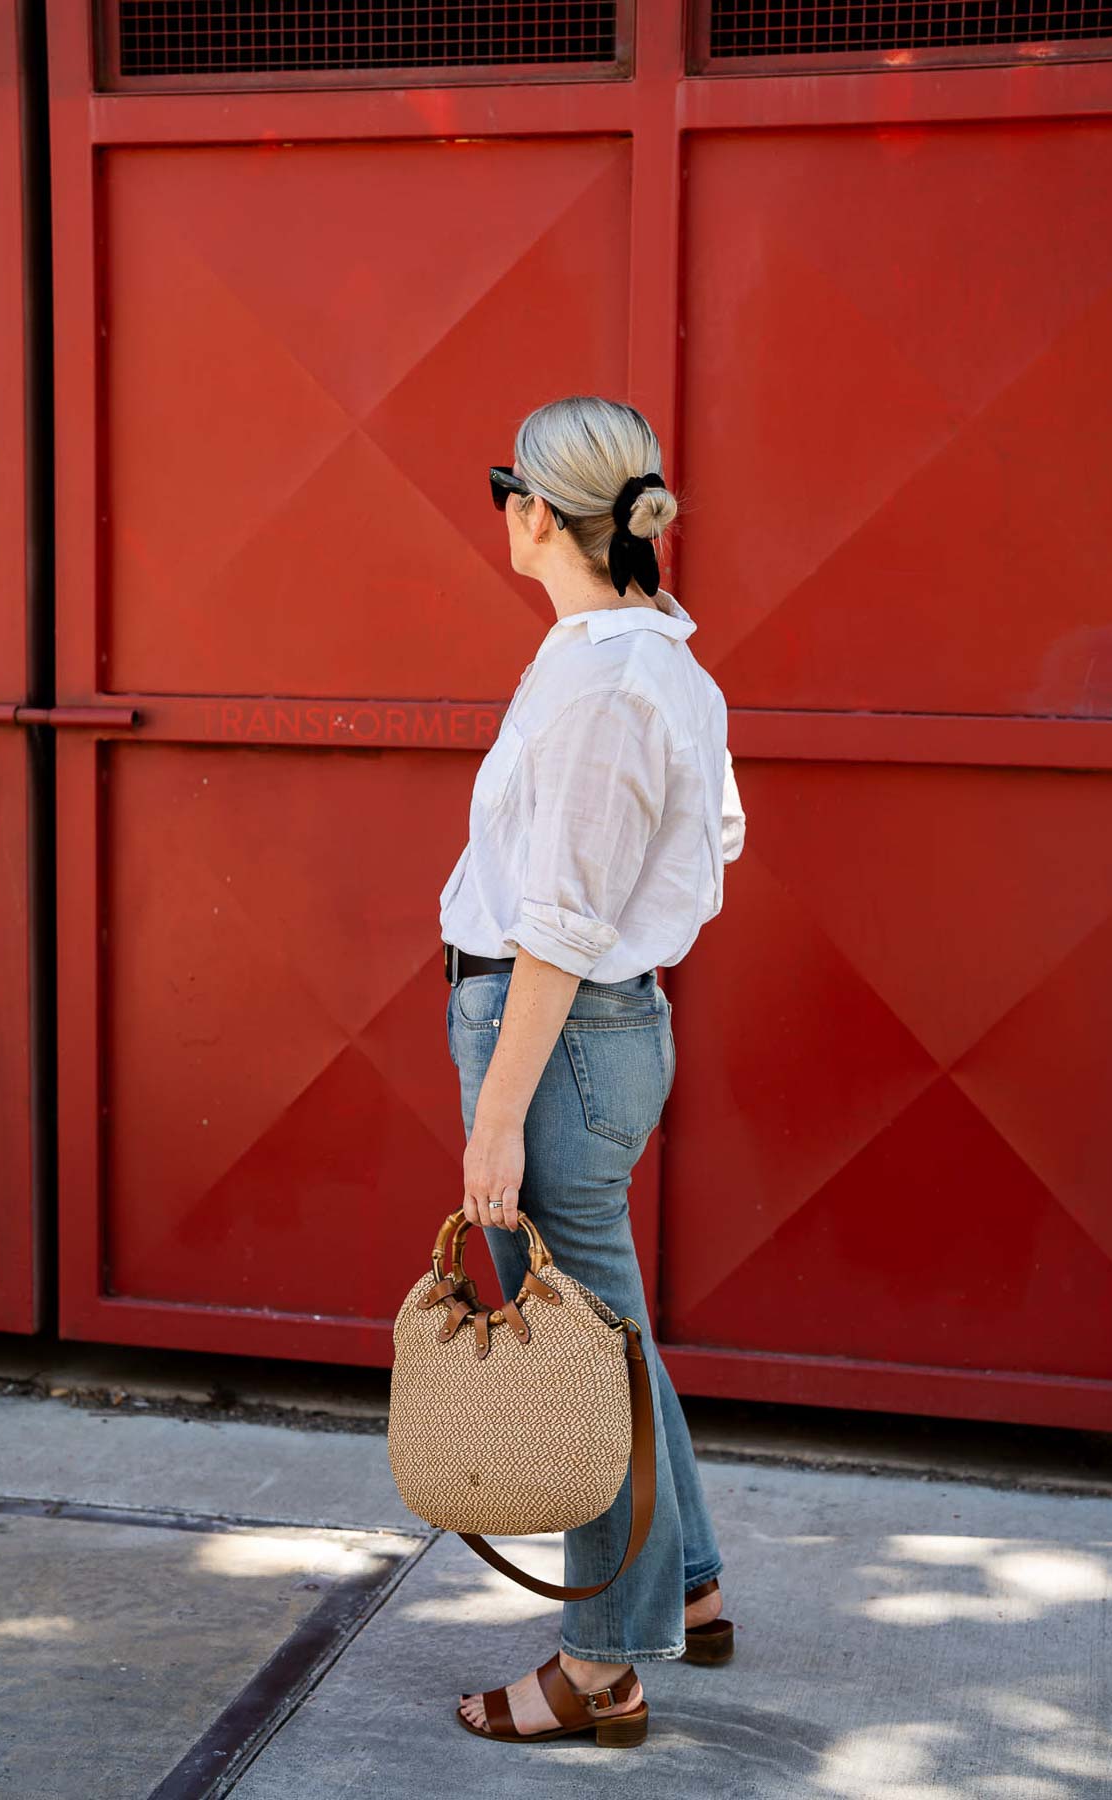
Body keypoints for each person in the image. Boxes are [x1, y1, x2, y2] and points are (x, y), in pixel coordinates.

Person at [439, 394, 746, 1747]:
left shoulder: (611, 684)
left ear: (535, 515)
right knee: (605, 1332)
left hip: (555, 1039)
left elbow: (561, 922)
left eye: (505, 487)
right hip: (586, 1030)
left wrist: (499, 1114)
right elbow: (717, 838)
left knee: (578, 1355)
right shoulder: (641, 655)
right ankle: (685, 1581)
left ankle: (602, 1668)